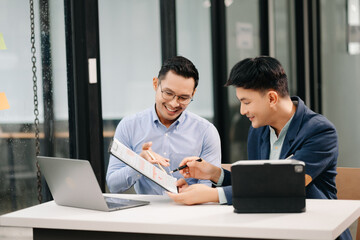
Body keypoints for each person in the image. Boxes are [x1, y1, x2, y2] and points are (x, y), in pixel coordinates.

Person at [106, 56, 221, 195]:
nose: (174, 104)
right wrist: (139, 163)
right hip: (144, 214)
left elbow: (207, 189)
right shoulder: (129, 126)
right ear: (156, 84)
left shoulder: (206, 132)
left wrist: (190, 191)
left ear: (193, 93)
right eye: (168, 93)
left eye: (183, 98)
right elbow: (113, 185)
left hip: (190, 211)